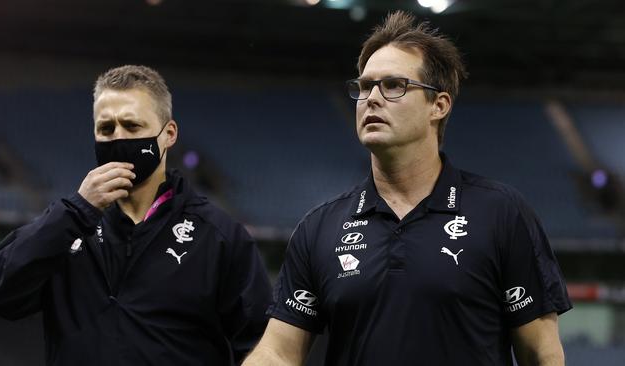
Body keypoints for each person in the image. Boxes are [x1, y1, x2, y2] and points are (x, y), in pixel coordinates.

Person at [244, 10, 571, 366]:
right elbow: (278, 351)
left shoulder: (501, 213)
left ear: (439, 105)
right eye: (365, 86)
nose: (371, 98)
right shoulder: (320, 228)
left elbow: (541, 353)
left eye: (394, 86)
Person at [0, 65, 272, 365]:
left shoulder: (218, 234)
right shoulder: (66, 226)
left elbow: (265, 345)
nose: (118, 138)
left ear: (168, 134)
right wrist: (77, 211)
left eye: (132, 127)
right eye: (106, 128)